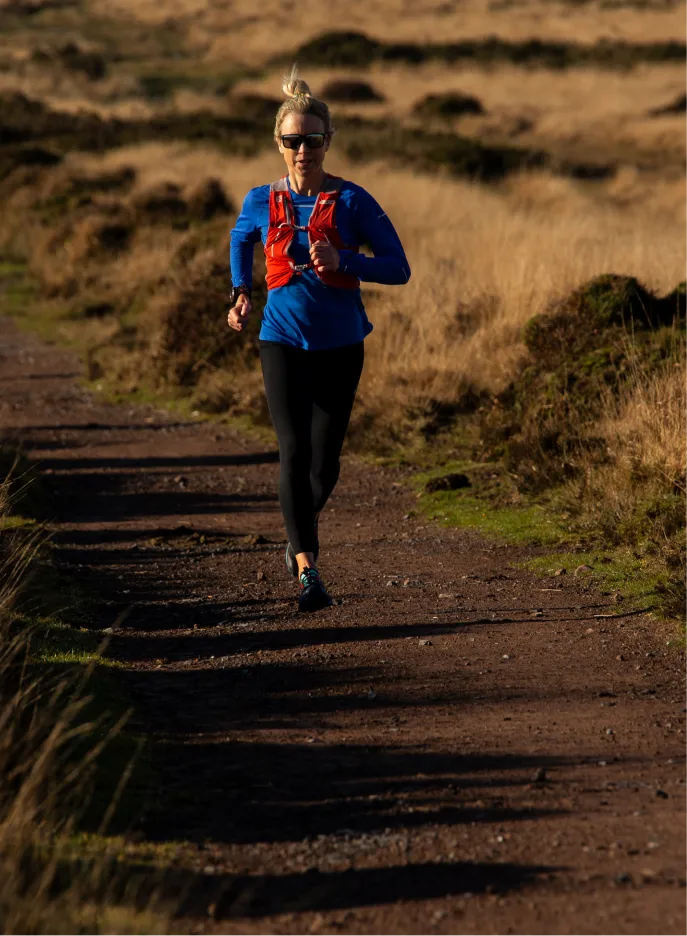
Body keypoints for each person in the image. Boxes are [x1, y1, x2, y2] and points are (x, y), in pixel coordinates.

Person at [227, 67, 410, 613]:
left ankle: (297, 530)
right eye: (292, 141)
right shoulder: (261, 199)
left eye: (312, 140)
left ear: (328, 142)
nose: (302, 150)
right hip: (280, 338)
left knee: (325, 465)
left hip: (340, 343)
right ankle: (308, 567)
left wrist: (345, 260)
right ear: (278, 144)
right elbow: (240, 237)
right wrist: (241, 293)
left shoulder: (354, 202)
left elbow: (399, 268)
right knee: (294, 448)